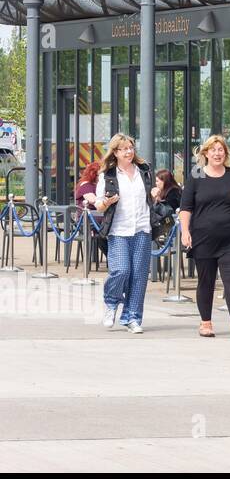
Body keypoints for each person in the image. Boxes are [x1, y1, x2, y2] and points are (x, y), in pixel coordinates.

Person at [179, 135, 230, 339]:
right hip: (203, 238)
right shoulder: (197, 175)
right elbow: (186, 208)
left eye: (221, 150)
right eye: (213, 149)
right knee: (206, 281)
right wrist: (185, 231)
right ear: (205, 153)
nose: (217, 153)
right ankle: (206, 323)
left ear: (226, 153)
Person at [94, 134, 155, 334]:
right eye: (124, 149)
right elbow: (100, 205)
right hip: (119, 230)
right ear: (115, 152)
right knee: (121, 270)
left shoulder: (144, 171)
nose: (129, 152)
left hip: (142, 228)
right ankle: (111, 302)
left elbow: (151, 195)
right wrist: (107, 202)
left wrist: (156, 193)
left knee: (138, 276)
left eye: (130, 147)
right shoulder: (109, 175)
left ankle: (132, 318)